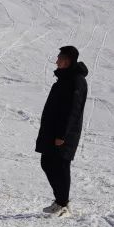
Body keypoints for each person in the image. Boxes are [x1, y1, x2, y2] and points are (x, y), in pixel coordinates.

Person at [36, 45, 89, 217]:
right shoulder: (65, 79)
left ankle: (63, 204)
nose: (56, 61)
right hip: (53, 131)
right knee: (47, 162)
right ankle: (60, 201)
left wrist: (62, 135)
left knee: (60, 165)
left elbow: (73, 110)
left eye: (59, 58)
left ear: (67, 61)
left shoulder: (76, 80)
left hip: (64, 134)